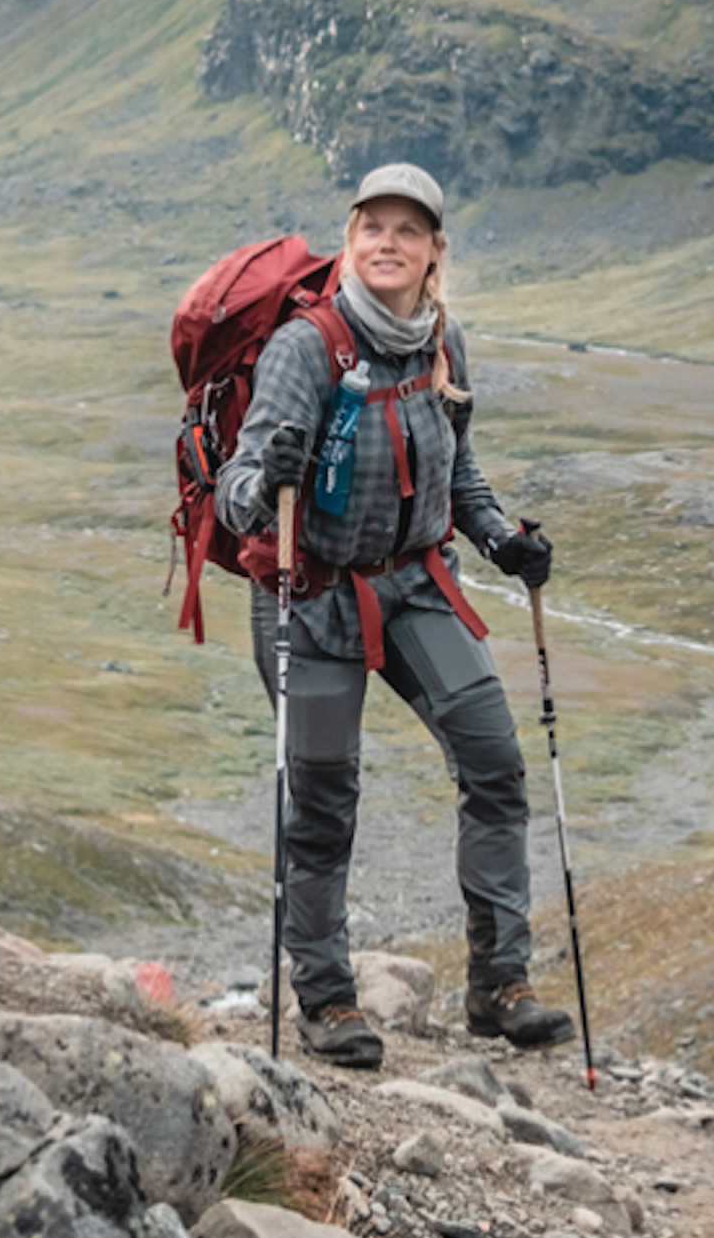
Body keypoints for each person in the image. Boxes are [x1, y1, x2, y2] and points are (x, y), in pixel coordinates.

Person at [214, 160, 574, 1068]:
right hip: (314, 595)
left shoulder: (445, 346)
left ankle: (500, 985)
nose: (388, 243)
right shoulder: (307, 346)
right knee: (323, 801)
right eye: (372, 226)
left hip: (416, 584)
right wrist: (271, 479)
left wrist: (500, 541)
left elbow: (458, 468)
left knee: (495, 761)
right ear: (351, 241)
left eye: (407, 231)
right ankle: (328, 1002)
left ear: (433, 253)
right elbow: (235, 492)